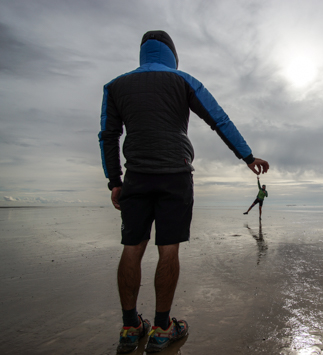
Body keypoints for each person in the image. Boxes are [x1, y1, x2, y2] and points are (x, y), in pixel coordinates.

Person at [98, 30, 269, 354]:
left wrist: (115, 182)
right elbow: (219, 119)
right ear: (171, 54)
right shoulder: (183, 80)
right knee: (168, 250)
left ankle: (130, 326)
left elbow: (108, 136)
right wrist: (247, 156)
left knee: (132, 248)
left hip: (135, 177)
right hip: (175, 177)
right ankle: (163, 328)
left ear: (143, 53)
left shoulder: (115, 86)